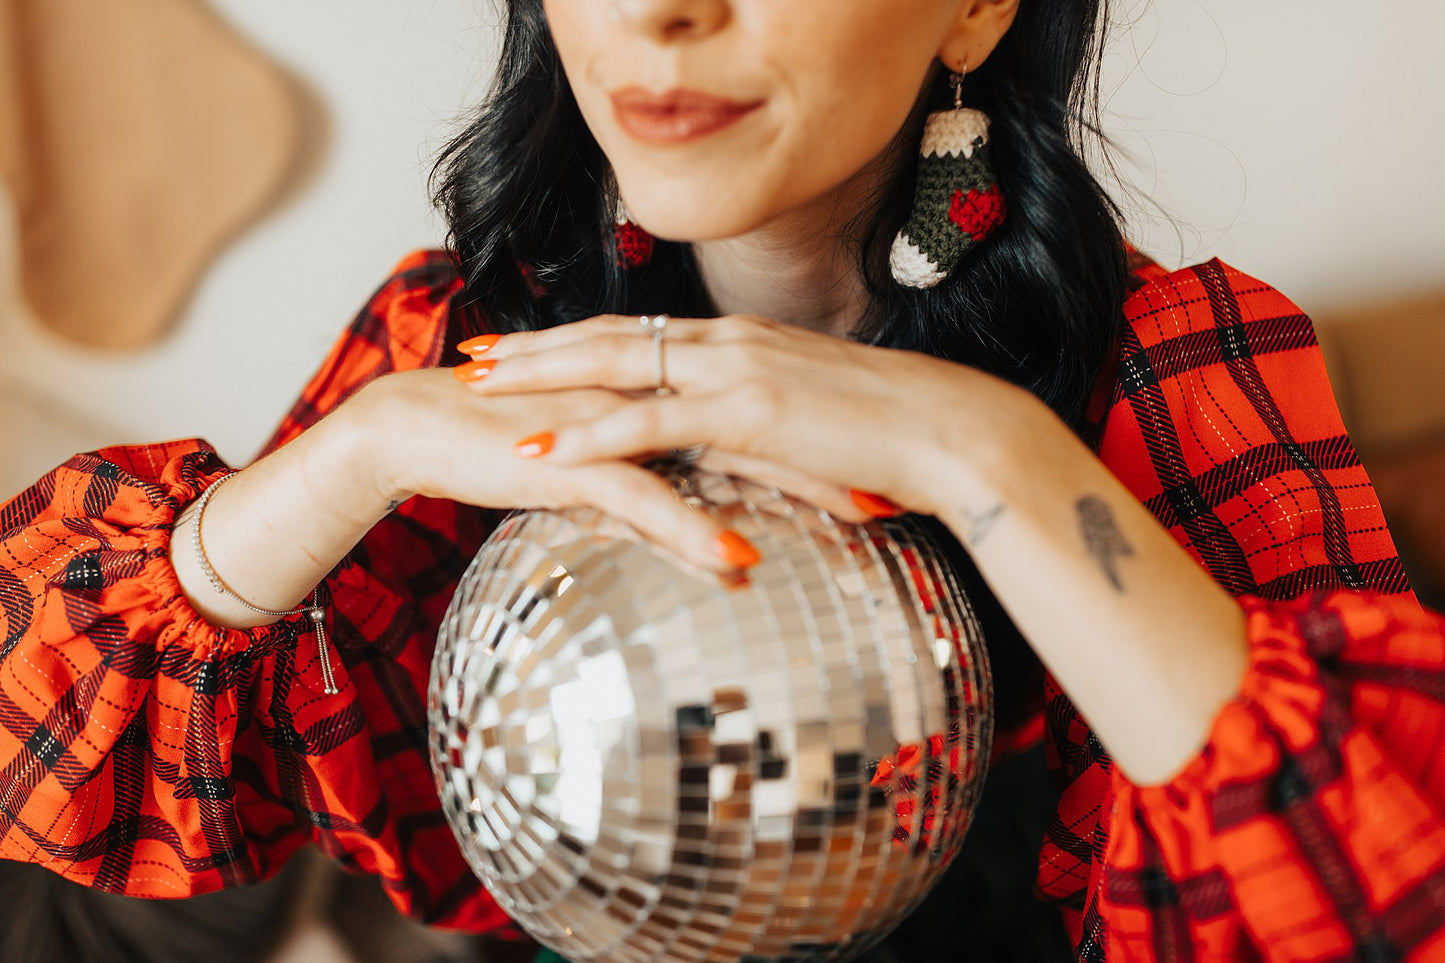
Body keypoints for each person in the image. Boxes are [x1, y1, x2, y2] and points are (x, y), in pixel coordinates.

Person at [1, 0, 1442, 960]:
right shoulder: (450, 339)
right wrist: (356, 450)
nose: (662, 10)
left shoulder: (1171, 362)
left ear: (976, 6)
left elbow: (1375, 884)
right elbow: (49, 748)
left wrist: (979, 451)